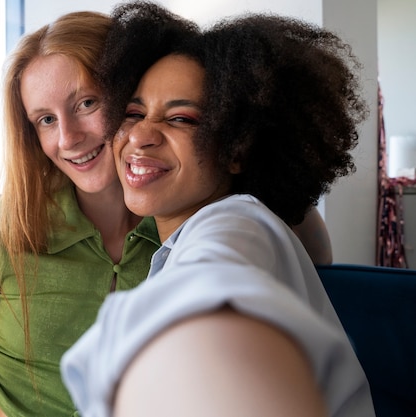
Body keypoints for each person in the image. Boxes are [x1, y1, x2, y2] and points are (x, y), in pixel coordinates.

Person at [0, 6, 334, 417]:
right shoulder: (2, 225)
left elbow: (304, 254)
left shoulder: (192, 227)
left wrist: (262, 168)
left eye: (86, 103)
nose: (69, 138)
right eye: (45, 120)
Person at [60, 2, 374, 417]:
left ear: (236, 148)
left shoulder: (234, 224)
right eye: (133, 112)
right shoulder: (246, 223)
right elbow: (318, 252)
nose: (140, 135)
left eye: (182, 119)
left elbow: (211, 290)